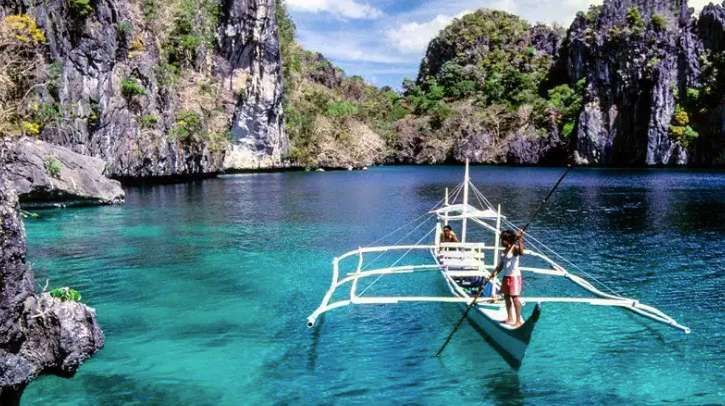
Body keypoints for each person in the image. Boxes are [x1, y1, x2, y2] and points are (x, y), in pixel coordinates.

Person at [497, 229, 525, 327]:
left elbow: (521, 253)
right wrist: (494, 273)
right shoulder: (503, 251)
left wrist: (520, 239)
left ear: (508, 240)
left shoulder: (514, 249)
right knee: (507, 297)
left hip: (514, 277)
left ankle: (518, 321)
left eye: (503, 240)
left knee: (515, 298)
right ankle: (510, 318)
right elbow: (501, 265)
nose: (501, 242)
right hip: (506, 277)